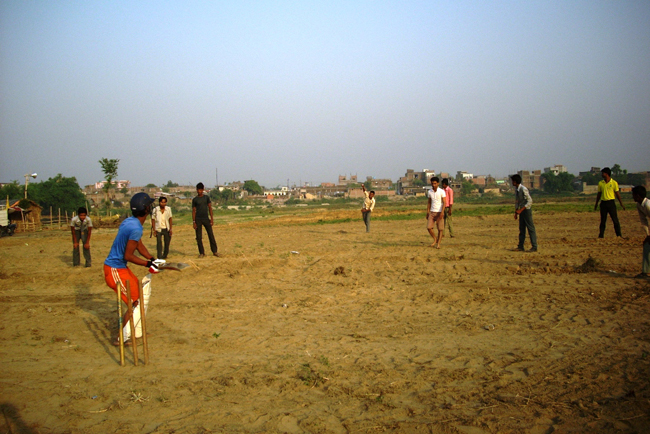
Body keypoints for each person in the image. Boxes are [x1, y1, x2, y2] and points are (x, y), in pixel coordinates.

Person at [104, 192, 162, 345]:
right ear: (145, 209)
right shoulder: (136, 227)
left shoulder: (131, 222)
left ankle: (134, 331)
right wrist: (147, 264)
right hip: (114, 270)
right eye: (149, 206)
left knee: (139, 297)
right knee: (135, 303)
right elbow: (129, 255)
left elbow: (139, 245)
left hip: (120, 268)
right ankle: (121, 338)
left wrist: (151, 258)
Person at [594, 167, 625, 238]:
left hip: (611, 203)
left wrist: (621, 203)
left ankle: (619, 235)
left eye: (603, 173)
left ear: (607, 174)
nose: (602, 174)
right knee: (603, 220)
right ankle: (601, 235)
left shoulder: (614, 183)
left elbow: (617, 194)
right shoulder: (600, 183)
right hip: (603, 203)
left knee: (615, 220)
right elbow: (599, 194)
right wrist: (596, 204)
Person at [511, 174, 538, 252]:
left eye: (512, 181)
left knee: (530, 229)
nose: (512, 182)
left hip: (526, 210)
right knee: (522, 229)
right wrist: (516, 212)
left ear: (515, 182)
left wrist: (521, 210)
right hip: (521, 211)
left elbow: (530, 201)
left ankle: (534, 246)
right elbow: (517, 201)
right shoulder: (517, 190)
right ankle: (520, 246)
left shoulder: (523, 189)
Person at [192, 182, 219, 257]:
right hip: (198, 219)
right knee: (198, 237)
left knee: (211, 235)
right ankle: (201, 253)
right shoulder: (195, 199)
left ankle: (215, 251)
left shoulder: (206, 198)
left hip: (206, 219)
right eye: (198, 190)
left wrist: (212, 219)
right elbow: (194, 210)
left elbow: (210, 208)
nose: (199, 191)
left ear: (203, 190)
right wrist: (194, 221)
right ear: (196, 190)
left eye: (200, 190)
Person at [632, 185, 650, 279]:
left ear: (638, 196)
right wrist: (648, 235)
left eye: (633, 195)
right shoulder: (639, 205)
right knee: (647, 246)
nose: (632, 197)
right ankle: (646, 272)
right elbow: (644, 221)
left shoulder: (648, 205)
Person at [426, 177, 447, 249]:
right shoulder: (429, 192)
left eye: (435, 183)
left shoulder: (441, 191)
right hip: (432, 211)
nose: (433, 185)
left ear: (438, 183)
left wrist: (442, 212)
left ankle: (438, 244)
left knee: (440, 229)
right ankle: (435, 239)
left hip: (439, 212)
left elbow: (444, 202)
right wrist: (427, 211)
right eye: (432, 183)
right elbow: (429, 202)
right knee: (429, 227)